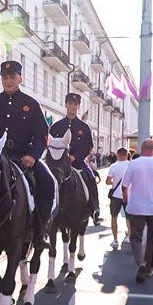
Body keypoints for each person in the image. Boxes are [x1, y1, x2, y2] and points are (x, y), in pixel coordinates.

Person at [0, 60, 56, 249]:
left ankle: (40, 231)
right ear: (1, 79)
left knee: (47, 181)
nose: (8, 81)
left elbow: (41, 135)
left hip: (23, 157)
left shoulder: (32, 105)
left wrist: (33, 156)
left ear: (20, 78)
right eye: (5, 77)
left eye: (12, 77)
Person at [121, 139, 153, 283]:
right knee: (152, 238)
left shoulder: (133, 164)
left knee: (136, 238)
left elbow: (125, 185)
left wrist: (126, 199)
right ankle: (148, 267)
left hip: (136, 207)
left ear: (142, 149)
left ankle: (140, 263)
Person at [49, 93, 103, 225]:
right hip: (59, 163)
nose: (72, 107)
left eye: (75, 105)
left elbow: (88, 146)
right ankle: (43, 210)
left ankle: (95, 209)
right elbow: (49, 143)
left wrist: (75, 157)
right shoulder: (57, 126)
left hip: (77, 162)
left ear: (78, 106)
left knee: (91, 177)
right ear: (66, 105)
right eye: (70, 104)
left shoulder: (84, 127)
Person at [106, 147, 130, 249]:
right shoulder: (131, 165)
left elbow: (107, 181)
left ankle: (115, 239)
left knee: (114, 217)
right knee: (129, 217)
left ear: (118, 155)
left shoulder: (114, 166)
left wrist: (114, 182)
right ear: (127, 155)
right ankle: (129, 235)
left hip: (116, 195)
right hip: (128, 195)